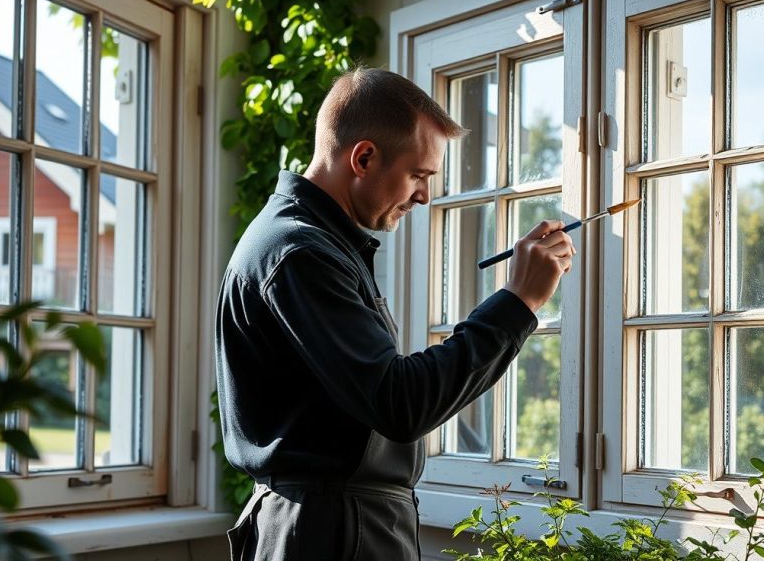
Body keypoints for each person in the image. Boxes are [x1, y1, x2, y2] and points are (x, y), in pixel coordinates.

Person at [215, 67, 574, 561]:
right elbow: (398, 402)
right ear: (363, 157)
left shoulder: (319, 247)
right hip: (327, 534)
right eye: (418, 175)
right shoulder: (299, 253)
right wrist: (518, 303)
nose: (425, 196)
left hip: (340, 524)